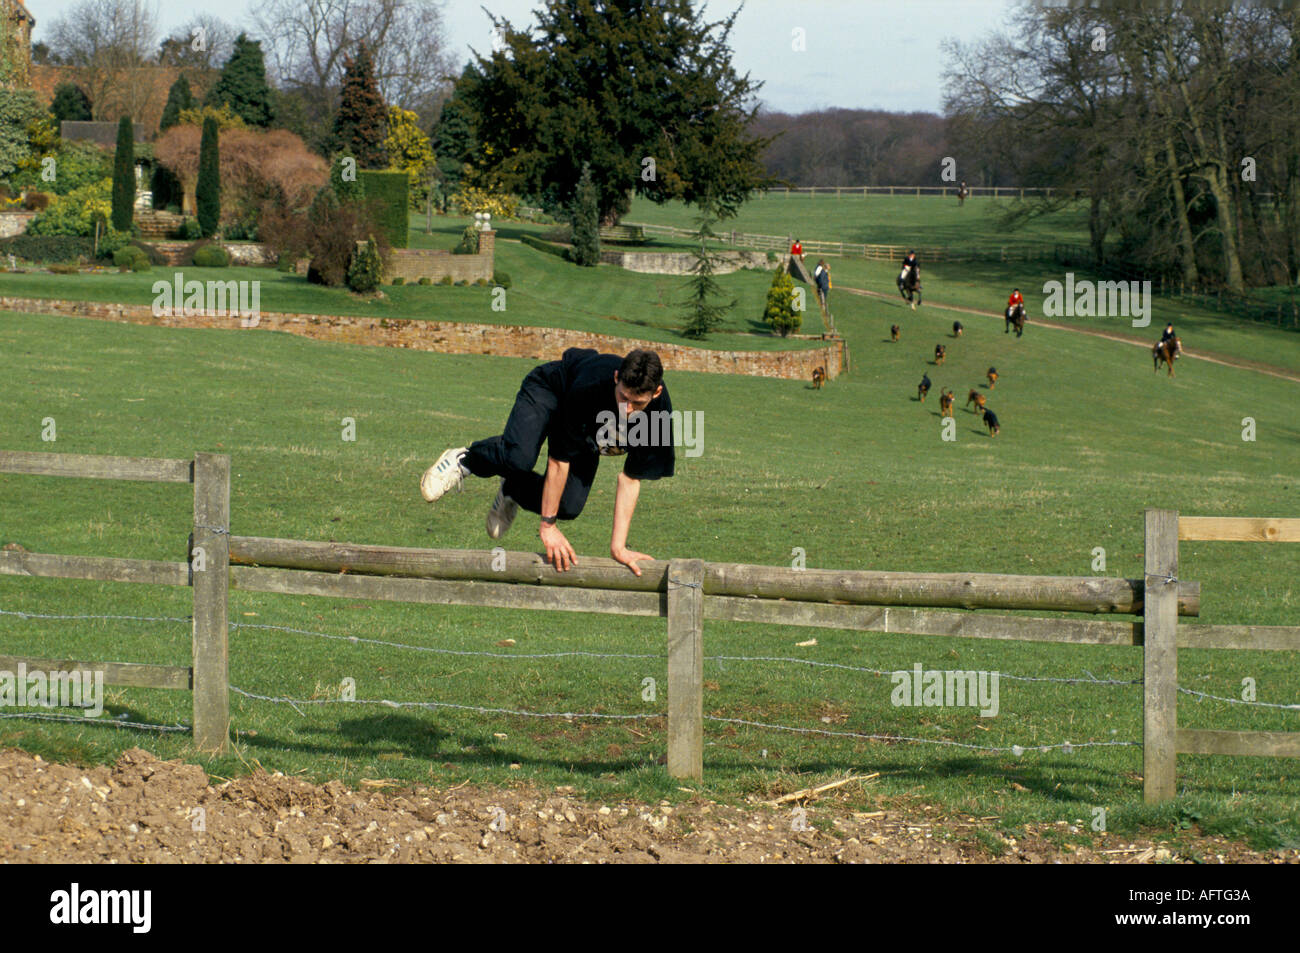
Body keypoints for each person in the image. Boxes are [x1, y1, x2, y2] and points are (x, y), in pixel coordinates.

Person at [419, 348, 674, 575]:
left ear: (656, 392)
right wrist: (547, 526)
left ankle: (513, 489)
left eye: (637, 403)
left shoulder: (659, 416)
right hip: (551, 390)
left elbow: (630, 479)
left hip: (585, 430)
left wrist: (618, 547)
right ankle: (467, 459)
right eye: (623, 398)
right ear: (616, 378)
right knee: (518, 457)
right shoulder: (590, 386)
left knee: (569, 505)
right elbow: (558, 463)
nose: (627, 409)